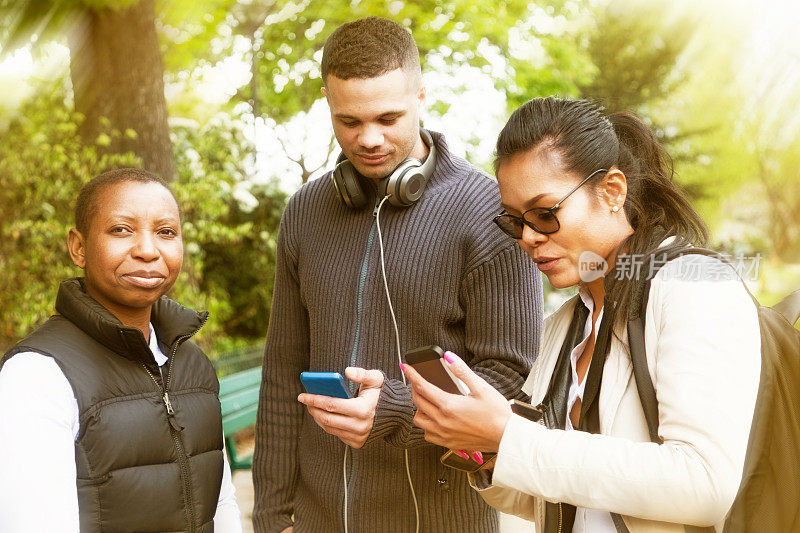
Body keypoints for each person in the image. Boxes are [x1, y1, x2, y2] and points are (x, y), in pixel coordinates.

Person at [404, 97, 761, 532]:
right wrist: (479, 446)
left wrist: (510, 436)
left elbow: (706, 486)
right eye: (515, 221)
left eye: (545, 213)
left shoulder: (694, 286)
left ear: (612, 190)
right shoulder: (564, 324)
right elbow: (544, 499)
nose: (529, 238)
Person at [251, 16, 542, 533]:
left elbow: (511, 379)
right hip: (318, 520)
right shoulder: (304, 211)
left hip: (444, 519)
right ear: (327, 102)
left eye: (389, 117)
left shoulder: (488, 212)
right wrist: (272, 518)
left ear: (422, 94)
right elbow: (281, 376)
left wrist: (391, 408)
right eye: (349, 121)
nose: (369, 139)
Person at [0, 169, 242, 532]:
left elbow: (220, 502)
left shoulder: (192, 364)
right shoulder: (37, 374)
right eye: (121, 230)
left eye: (166, 232)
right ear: (78, 248)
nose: (148, 250)